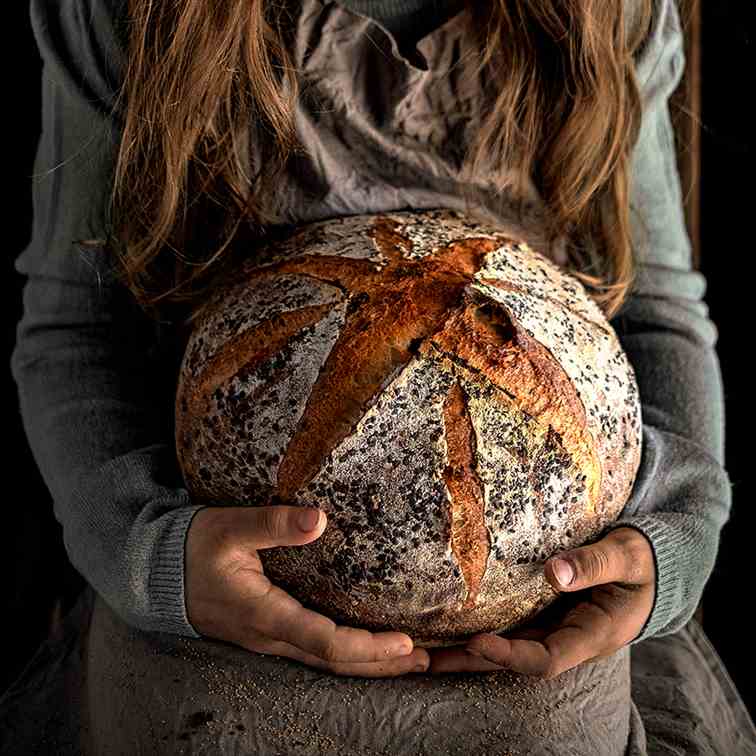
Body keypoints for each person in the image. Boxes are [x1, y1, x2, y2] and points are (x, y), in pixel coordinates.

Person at [2, 0, 755, 753]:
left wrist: (680, 534)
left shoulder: (608, 12)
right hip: (210, 564)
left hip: (544, 593)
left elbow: (656, 313)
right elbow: (76, 327)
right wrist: (149, 557)